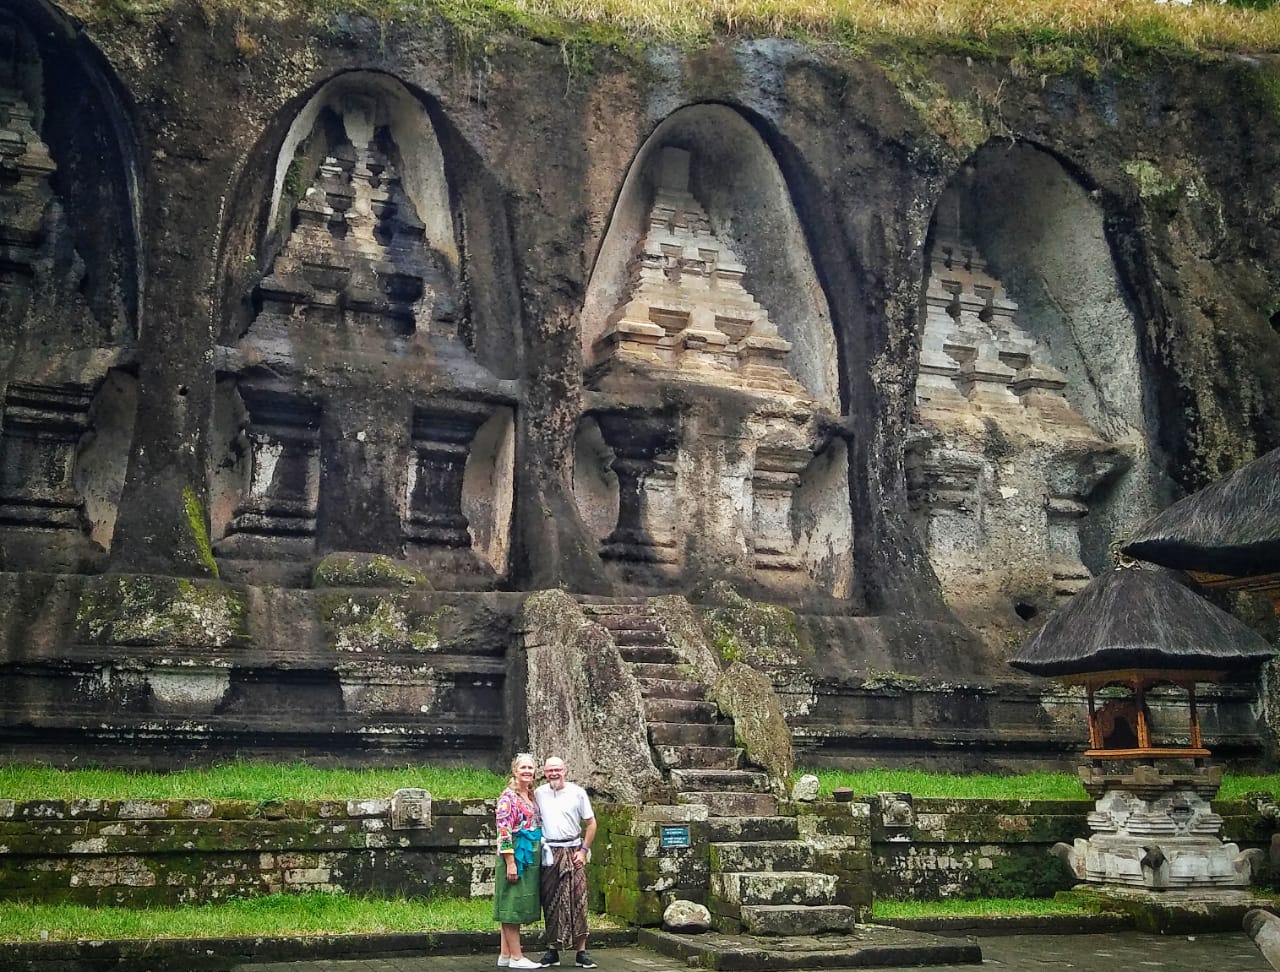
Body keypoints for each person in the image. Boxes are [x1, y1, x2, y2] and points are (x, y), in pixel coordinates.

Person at [534, 756, 598, 969]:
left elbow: (591, 824)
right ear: (544, 772)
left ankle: (581, 952)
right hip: (549, 853)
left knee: (578, 898)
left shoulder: (577, 793)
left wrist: (583, 851)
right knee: (550, 900)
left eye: (557, 770)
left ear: (565, 771)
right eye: (550, 770)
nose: (554, 773)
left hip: (573, 851)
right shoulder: (539, 793)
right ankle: (552, 950)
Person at [493, 753, 543, 969]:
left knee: (516, 901)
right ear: (515, 770)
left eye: (530, 768)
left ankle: (505, 954)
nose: (527, 771)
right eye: (523, 768)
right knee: (511, 903)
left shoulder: (531, 795)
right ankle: (516, 957)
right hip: (514, 853)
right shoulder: (508, 798)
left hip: (529, 851)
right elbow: (504, 832)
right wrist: (510, 862)